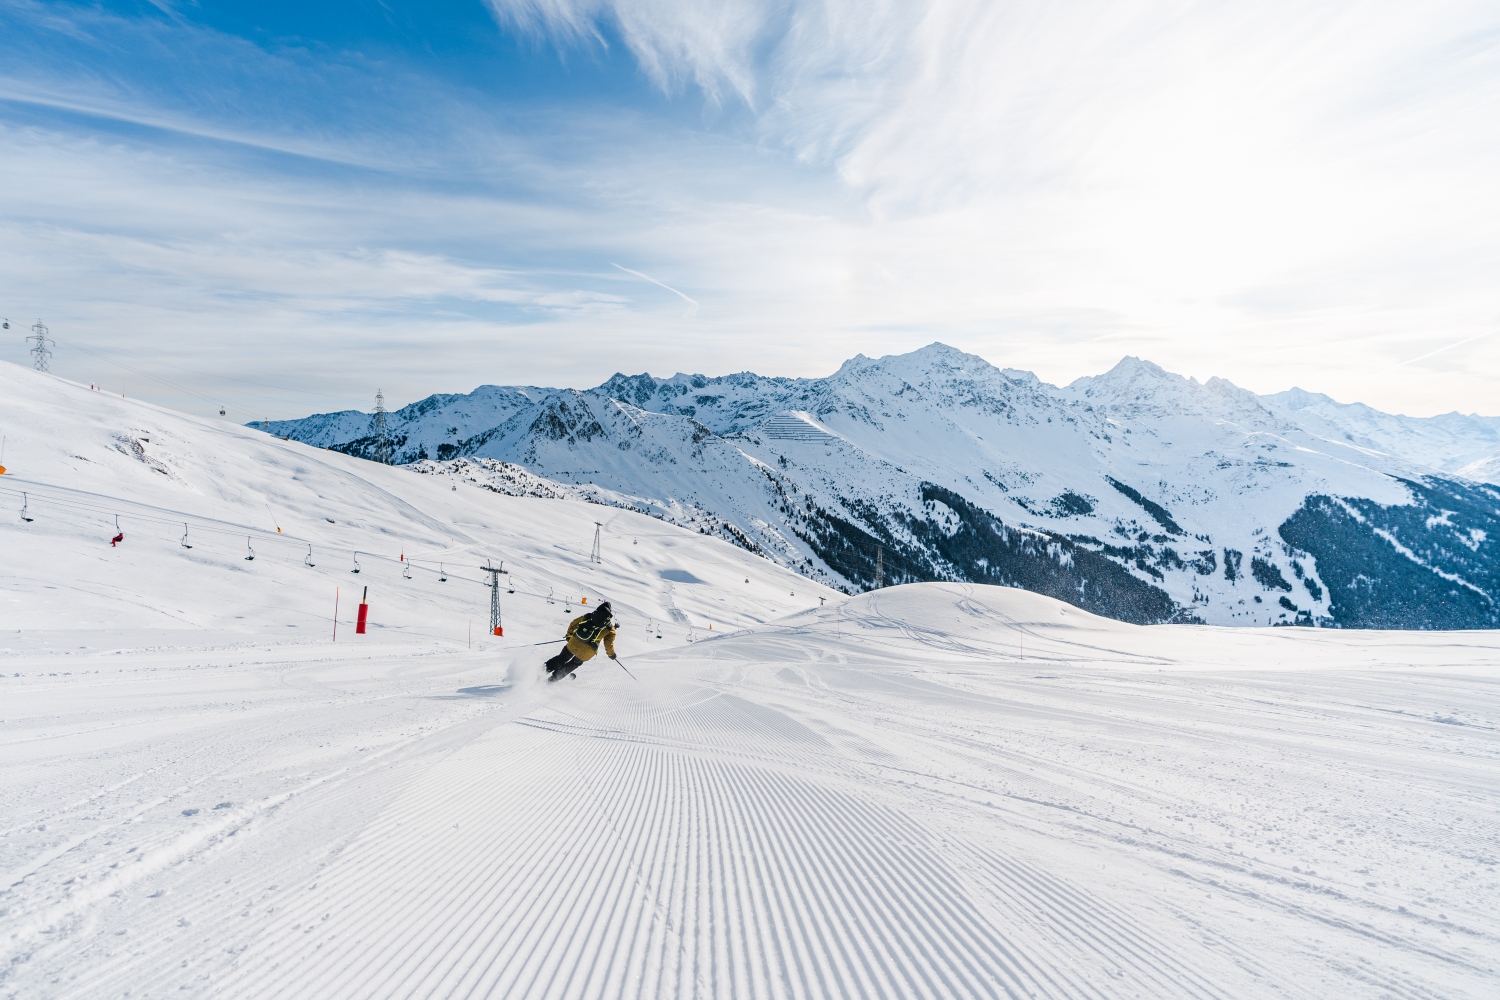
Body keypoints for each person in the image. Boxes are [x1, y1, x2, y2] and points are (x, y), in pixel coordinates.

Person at [545, 602, 617, 682]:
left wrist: (569, 636)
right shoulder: (610, 628)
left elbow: (573, 624)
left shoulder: (588, 616)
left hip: (574, 643)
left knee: (562, 658)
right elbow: (608, 643)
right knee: (574, 663)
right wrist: (611, 654)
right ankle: (554, 678)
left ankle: (542, 670)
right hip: (587, 652)